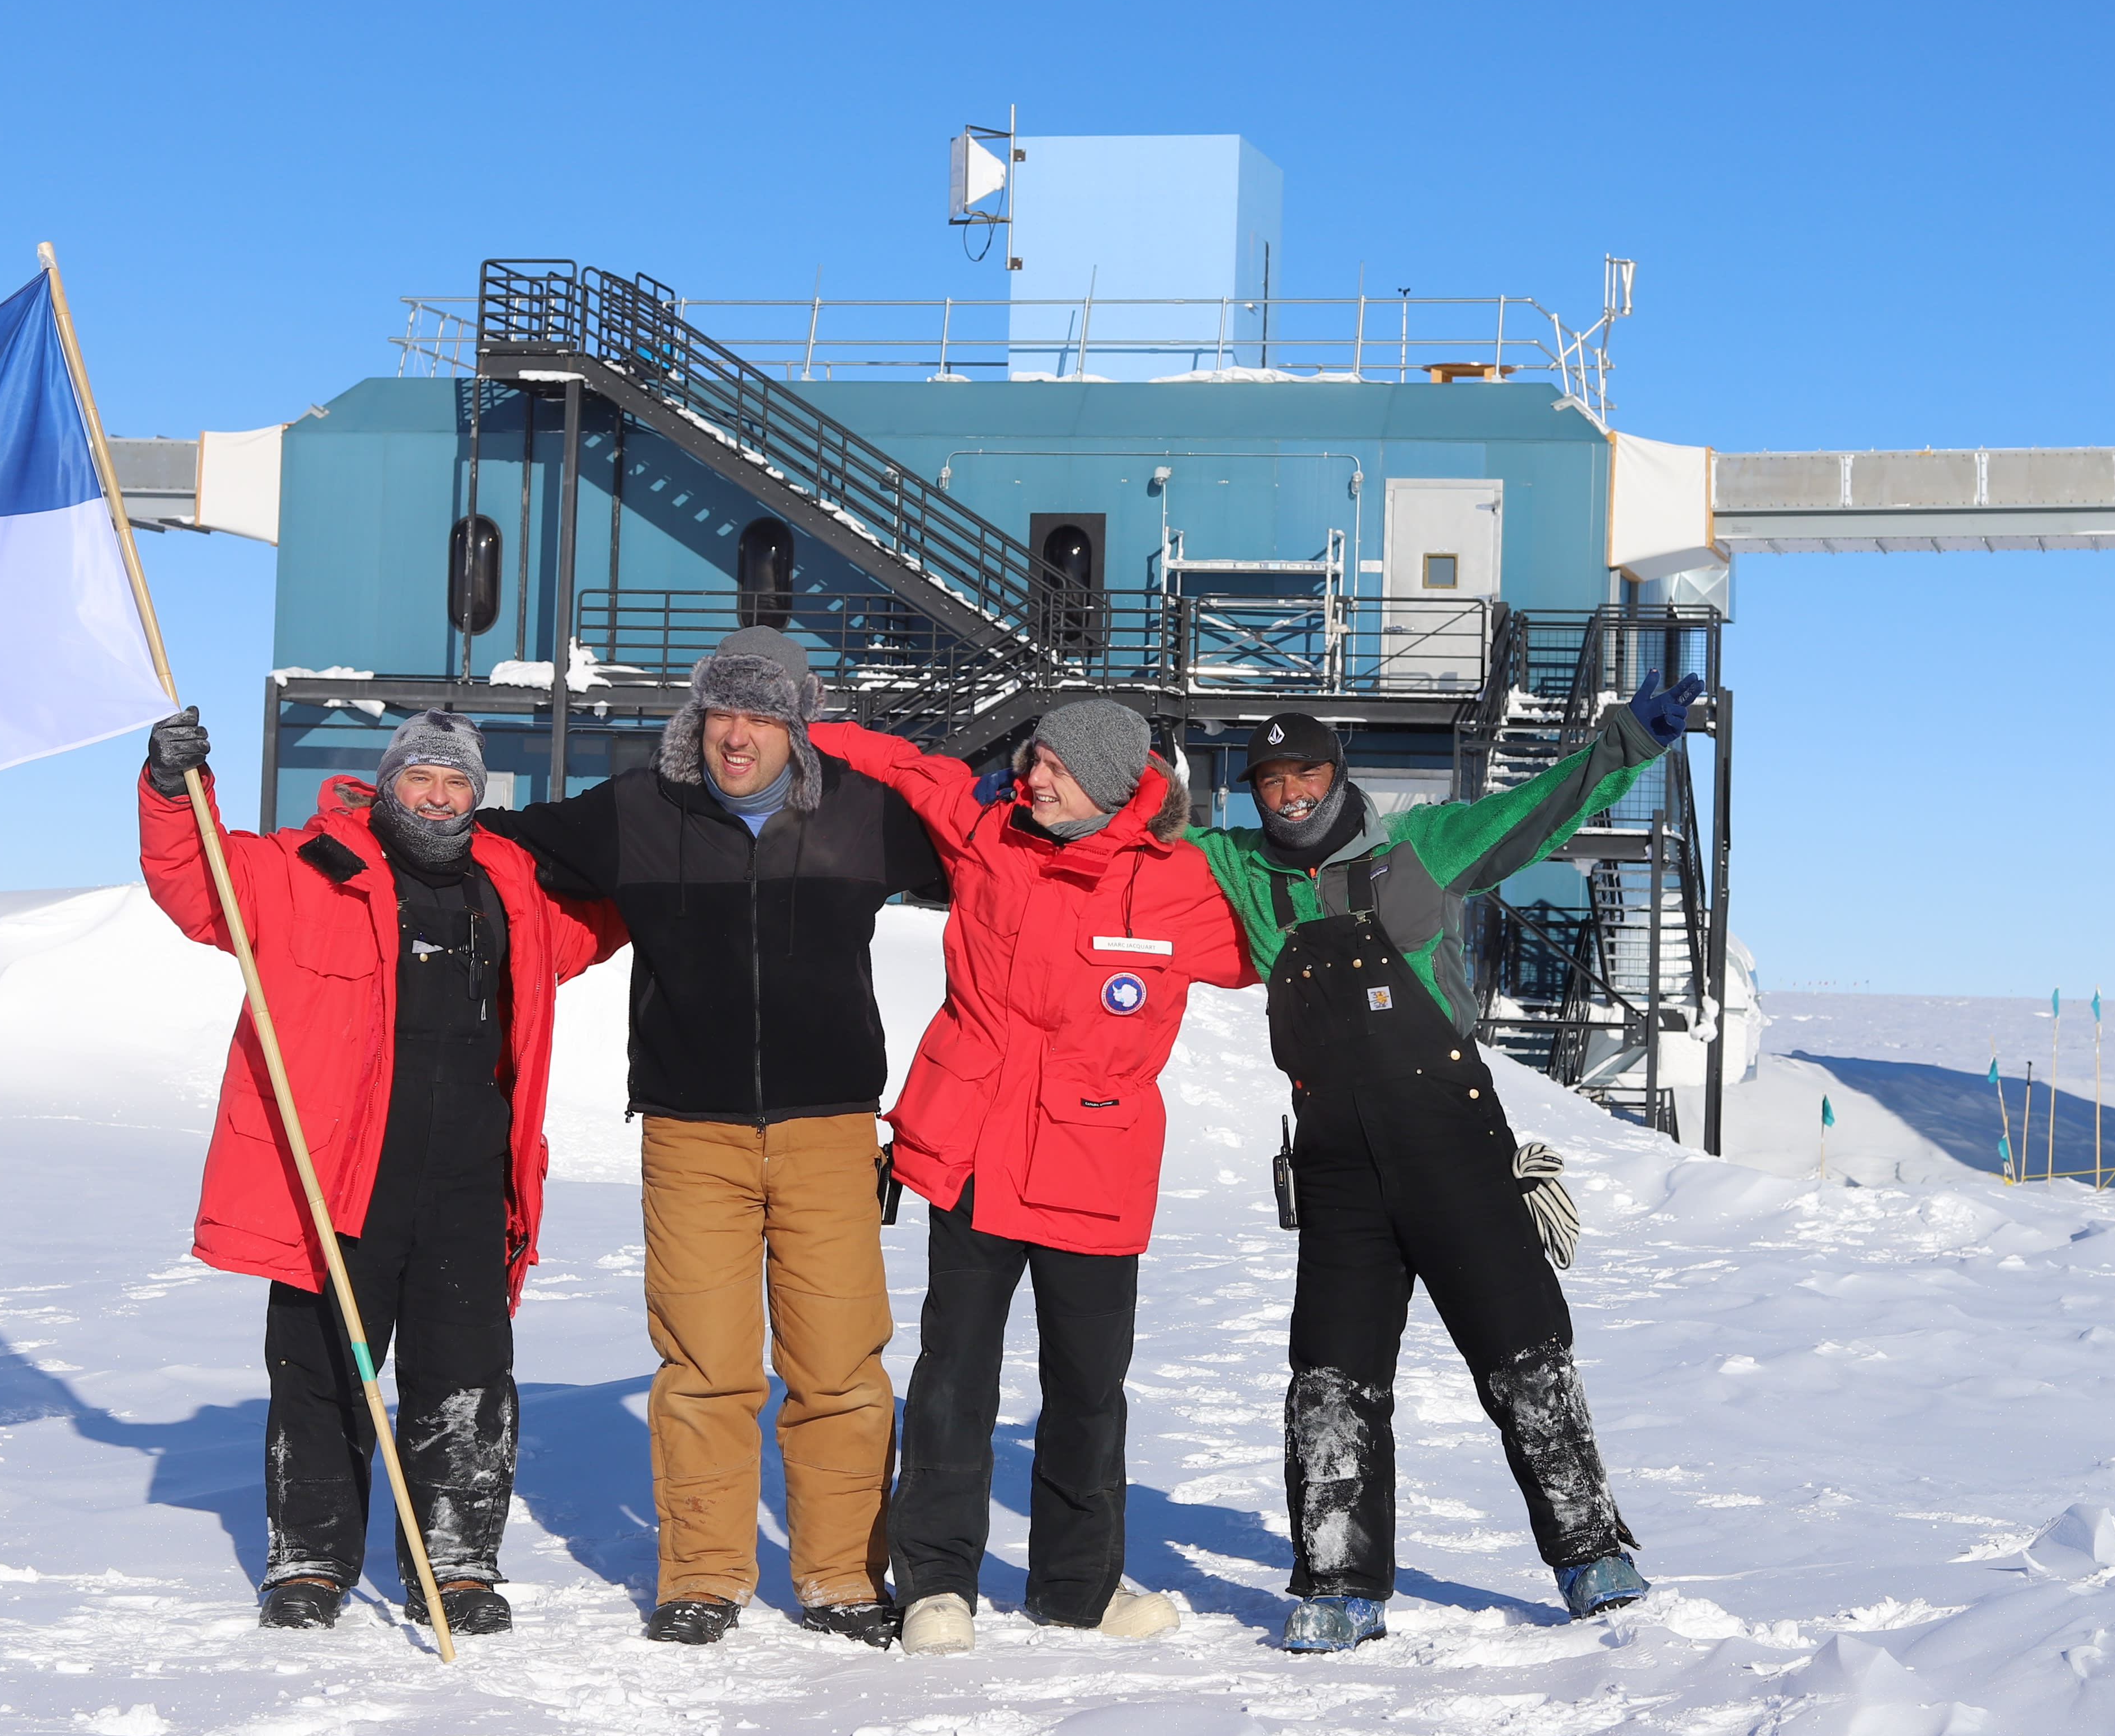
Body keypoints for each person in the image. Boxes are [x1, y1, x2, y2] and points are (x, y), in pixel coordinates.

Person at [1184, 676, 1703, 1650]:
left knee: (1524, 1359)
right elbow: (1140, 843)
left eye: (1306, 774)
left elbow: (1534, 813)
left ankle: (1591, 1552)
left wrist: (1629, 738)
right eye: (1269, 781)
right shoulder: (1244, 869)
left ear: (1337, 778)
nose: (1288, 794)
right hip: (1337, 1167)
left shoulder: (1421, 848)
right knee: (1330, 1378)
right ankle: (1340, 1584)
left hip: (1454, 1149)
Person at [483, 626, 949, 1647]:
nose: (739, 735)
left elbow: (997, 854)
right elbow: (497, 842)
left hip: (830, 1133)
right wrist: (396, 813)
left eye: (763, 715)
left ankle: (838, 1577)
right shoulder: (642, 811)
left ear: (798, 724)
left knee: (837, 1367)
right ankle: (701, 1576)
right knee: (704, 1366)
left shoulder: (867, 818)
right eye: (723, 713)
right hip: (691, 1137)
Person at [139, 706, 622, 1635]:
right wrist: (173, 789)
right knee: (322, 1367)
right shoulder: (305, 868)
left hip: (474, 1176)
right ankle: (311, 1560)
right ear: (389, 782)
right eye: (421, 779)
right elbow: (196, 882)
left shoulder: (513, 883)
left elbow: (608, 918)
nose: (439, 799)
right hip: (342, 1181)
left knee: (468, 1373)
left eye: (457, 785)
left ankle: (458, 1564)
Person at [809, 698, 1252, 1657]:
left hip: (1096, 1168)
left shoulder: (1187, 886)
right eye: (1030, 760)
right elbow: (902, 763)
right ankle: (936, 1586)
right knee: (951, 1380)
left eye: (1049, 765)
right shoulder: (987, 831)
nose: (1029, 778)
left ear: (1105, 779)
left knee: (1090, 1390)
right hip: (970, 1158)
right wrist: (794, 723)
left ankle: (1078, 1587)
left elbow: (1298, 935)